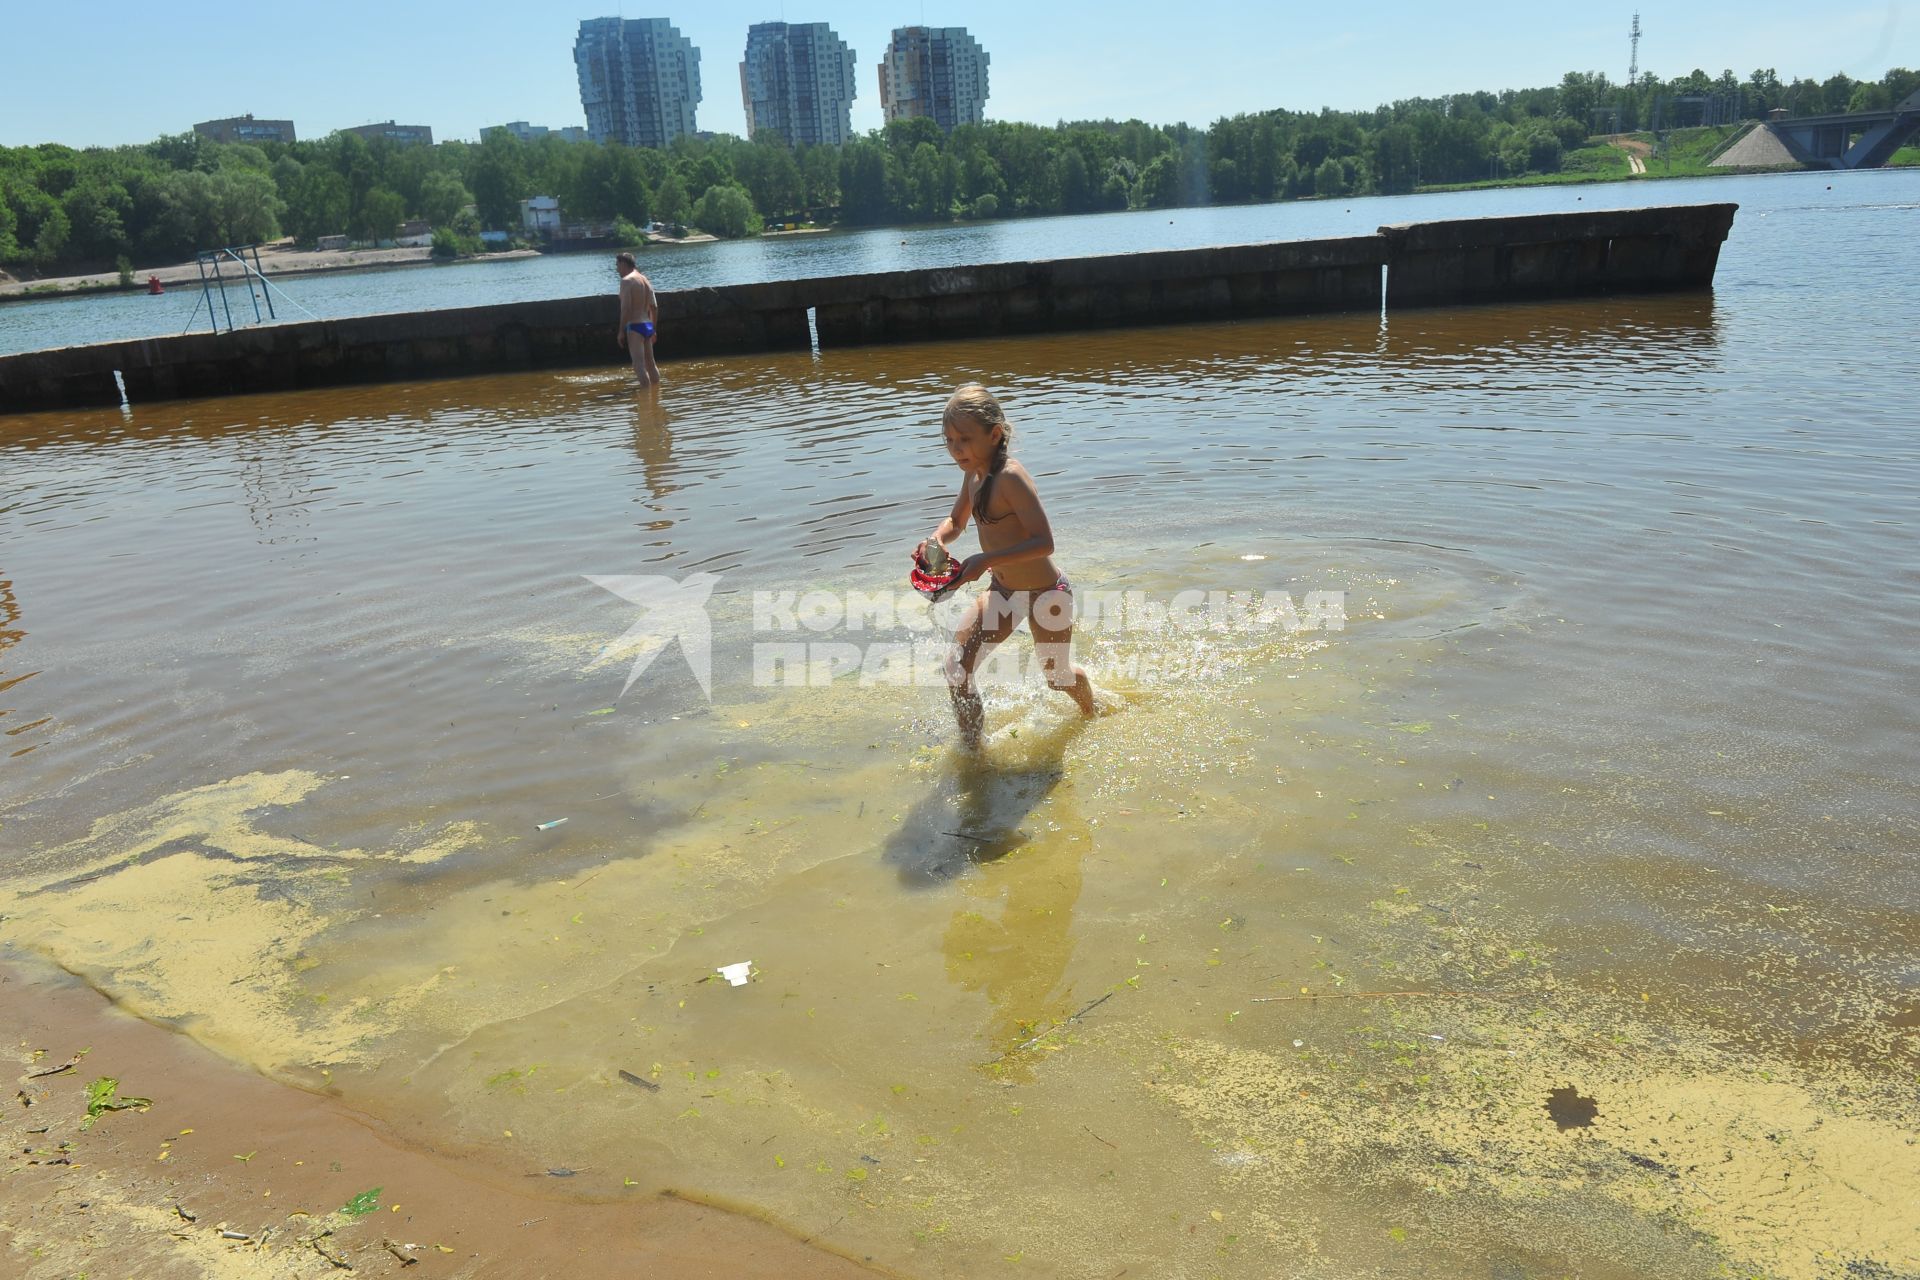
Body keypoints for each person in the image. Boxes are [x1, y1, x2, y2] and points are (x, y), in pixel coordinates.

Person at [914, 384, 1096, 750]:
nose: (956, 449)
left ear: (994, 435)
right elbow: (956, 520)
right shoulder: (974, 474)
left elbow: (1044, 542)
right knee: (956, 669)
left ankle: (1094, 713)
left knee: (1057, 677)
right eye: (949, 440)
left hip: (1047, 595)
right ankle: (974, 754)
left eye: (964, 439)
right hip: (1004, 592)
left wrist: (984, 560)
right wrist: (936, 541)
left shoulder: (1011, 477)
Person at [615, 252, 660, 386]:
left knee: (638, 365)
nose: (617, 269)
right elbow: (654, 307)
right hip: (647, 325)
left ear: (623, 264)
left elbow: (626, 309)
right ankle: (656, 396)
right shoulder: (645, 280)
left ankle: (647, 400)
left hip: (634, 326)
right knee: (651, 363)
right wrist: (653, 329)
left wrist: (621, 331)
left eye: (617, 265)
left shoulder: (627, 281)